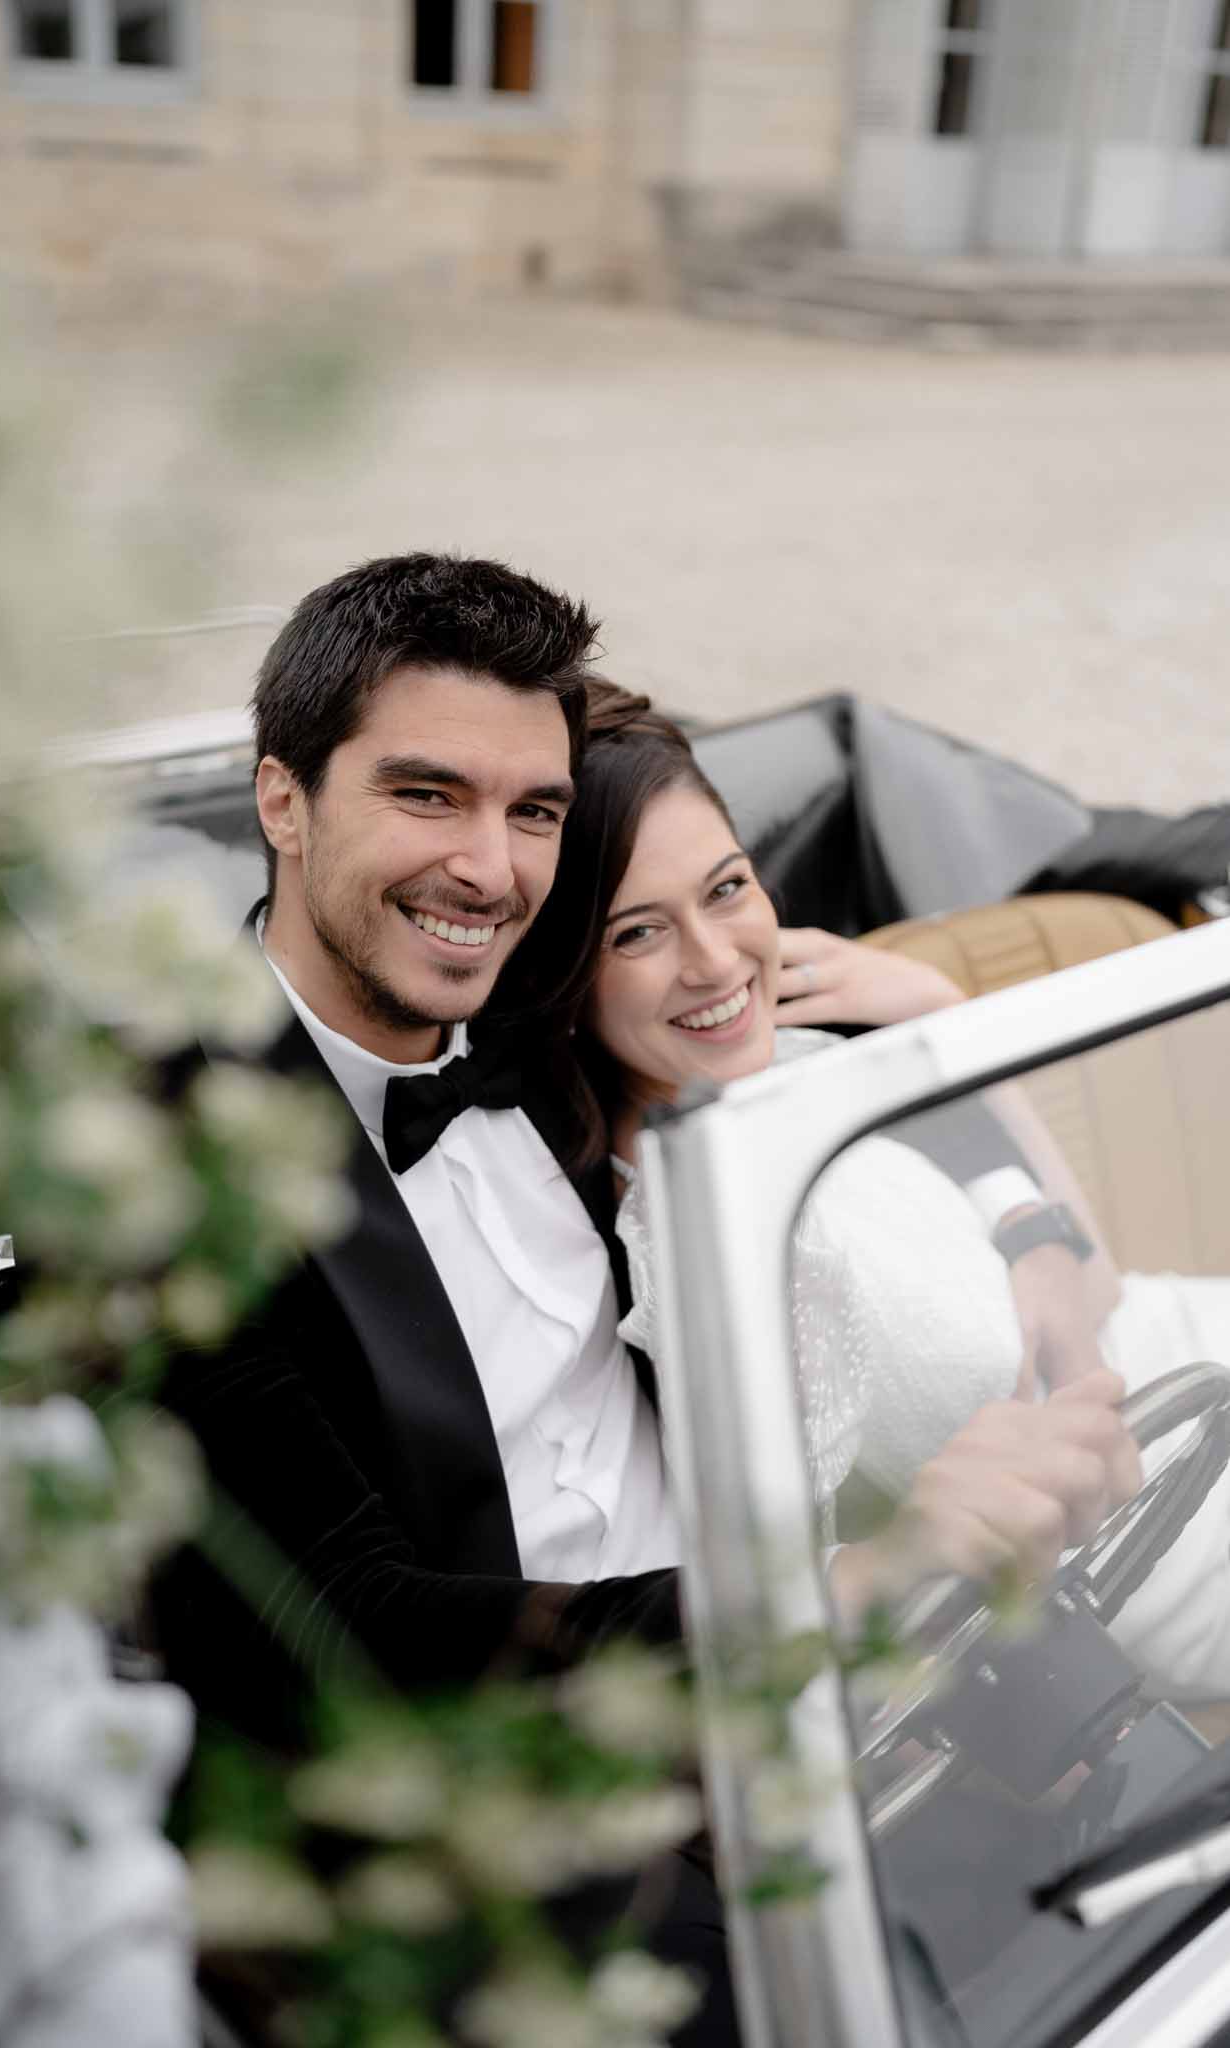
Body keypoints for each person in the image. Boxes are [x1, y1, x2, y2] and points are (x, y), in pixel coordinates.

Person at [152, 556, 1140, 2045]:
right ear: (280, 801)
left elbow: (803, 1037)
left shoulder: (536, 1036)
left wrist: (1020, 1218)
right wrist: (842, 1594)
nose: (488, 867)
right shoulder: (175, 1163)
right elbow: (354, 1628)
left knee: (1147, 1868)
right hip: (539, 1824)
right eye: (426, 796)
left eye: (531, 811)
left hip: (823, 1689)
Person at [499, 682, 1230, 1692]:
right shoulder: (700, 1247)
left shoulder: (786, 1059)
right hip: (1172, 1532)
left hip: (1187, 1356)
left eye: (726, 888)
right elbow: (811, 1584)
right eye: (637, 932)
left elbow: (1090, 1284)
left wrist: (937, 1024)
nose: (716, 961)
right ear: (561, 975)